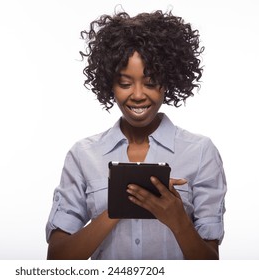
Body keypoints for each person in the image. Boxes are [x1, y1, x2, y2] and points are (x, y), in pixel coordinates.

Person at [45, 9, 226, 260]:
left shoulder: (200, 152)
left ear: (168, 82)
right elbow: (57, 259)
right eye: (125, 83)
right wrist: (119, 206)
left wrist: (178, 219)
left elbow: (210, 263)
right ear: (109, 83)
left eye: (151, 83)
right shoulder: (83, 155)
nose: (138, 94)